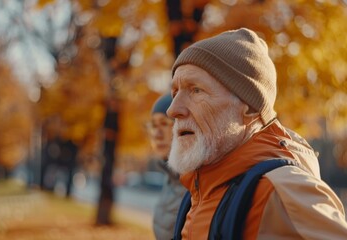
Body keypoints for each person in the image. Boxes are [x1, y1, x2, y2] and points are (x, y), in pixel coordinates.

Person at [166, 28, 347, 239]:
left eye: (196, 90)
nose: (173, 109)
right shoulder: (199, 191)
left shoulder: (281, 191)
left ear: (250, 108)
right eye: (175, 92)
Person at [147, 94, 187, 240]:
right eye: (153, 125)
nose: (157, 134)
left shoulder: (194, 183)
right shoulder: (169, 178)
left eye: (164, 123)